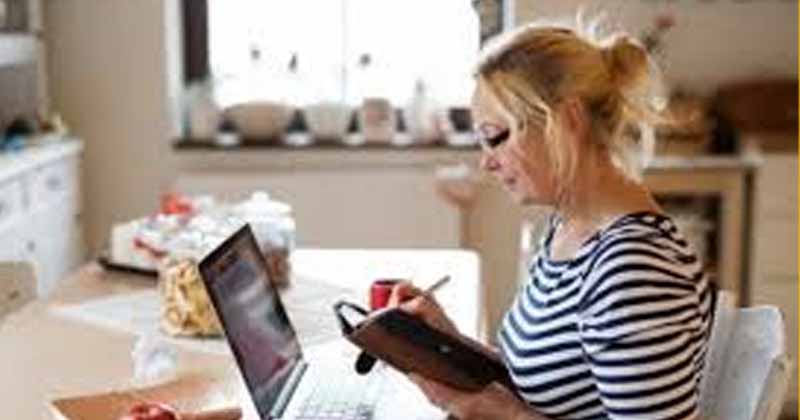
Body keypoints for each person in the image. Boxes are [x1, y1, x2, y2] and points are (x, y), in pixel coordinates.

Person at [389, 20, 712, 420]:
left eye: (497, 136)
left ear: (569, 120)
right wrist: (448, 342)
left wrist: (496, 412)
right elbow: (545, 385)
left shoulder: (634, 272)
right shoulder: (569, 230)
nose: (487, 162)